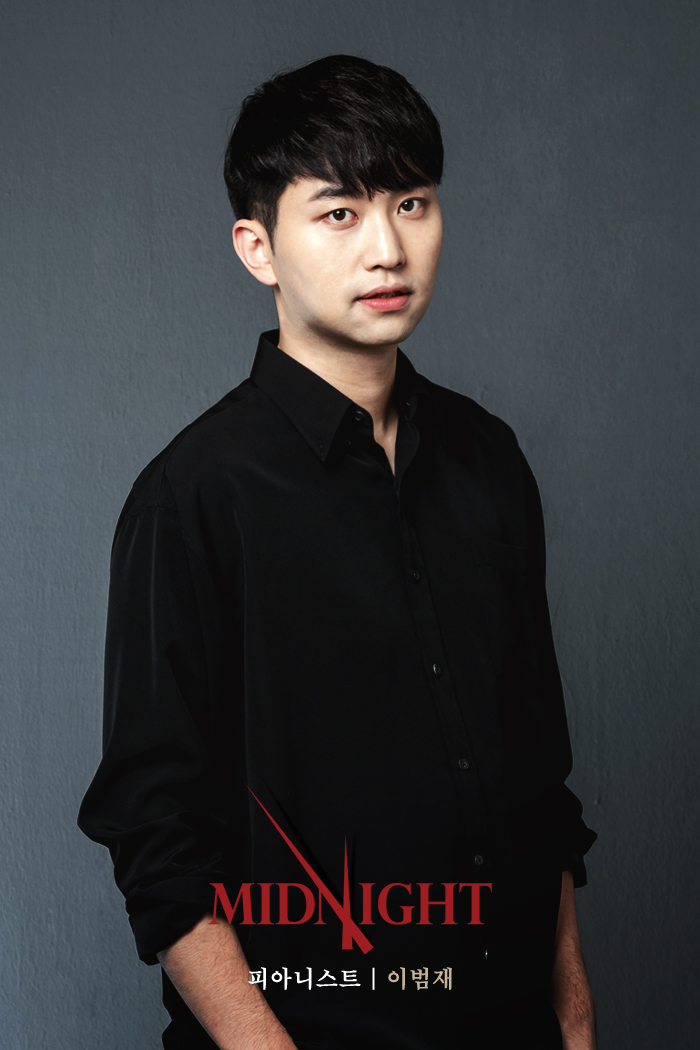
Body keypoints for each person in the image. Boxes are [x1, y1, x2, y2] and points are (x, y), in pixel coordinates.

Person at [78, 54, 598, 1050]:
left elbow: (539, 784)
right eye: (339, 213)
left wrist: (572, 1018)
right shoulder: (194, 495)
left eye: (410, 203)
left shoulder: (488, 459)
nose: (386, 249)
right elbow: (156, 834)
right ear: (258, 249)